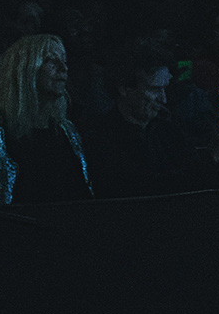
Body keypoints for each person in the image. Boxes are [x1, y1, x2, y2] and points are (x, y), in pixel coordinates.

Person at [0, 34, 90, 205]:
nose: (63, 67)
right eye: (50, 60)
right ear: (26, 70)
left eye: (64, 60)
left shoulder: (66, 131)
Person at [81, 39, 195, 197]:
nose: (163, 98)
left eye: (164, 88)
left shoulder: (169, 129)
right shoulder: (101, 137)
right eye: (154, 89)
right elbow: (143, 188)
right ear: (124, 88)